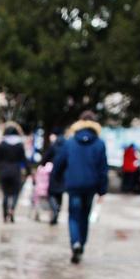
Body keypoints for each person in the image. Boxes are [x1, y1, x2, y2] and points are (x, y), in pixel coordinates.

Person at [53, 109, 108, 264]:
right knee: (85, 216)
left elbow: (59, 163)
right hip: (91, 186)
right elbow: (103, 168)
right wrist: (102, 190)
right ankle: (81, 244)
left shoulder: (70, 142)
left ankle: (75, 242)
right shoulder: (99, 144)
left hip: (73, 185)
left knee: (74, 216)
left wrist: (56, 179)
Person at [0, 121, 30, 222]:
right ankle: (12, 209)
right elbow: (24, 159)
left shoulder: (2, 144)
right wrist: (29, 172)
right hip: (15, 171)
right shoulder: (19, 145)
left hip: (4, 171)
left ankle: (5, 215)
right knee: (15, 193)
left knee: (5, 194)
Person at [42, 129, 66, 224]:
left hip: (54, 171)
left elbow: (45, 158)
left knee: (51, 193)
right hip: (64, 173)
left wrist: (43, 165)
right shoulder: (67, 145)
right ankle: (57, 211)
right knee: (60, 193)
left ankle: (55, 209)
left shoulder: (54, 145)